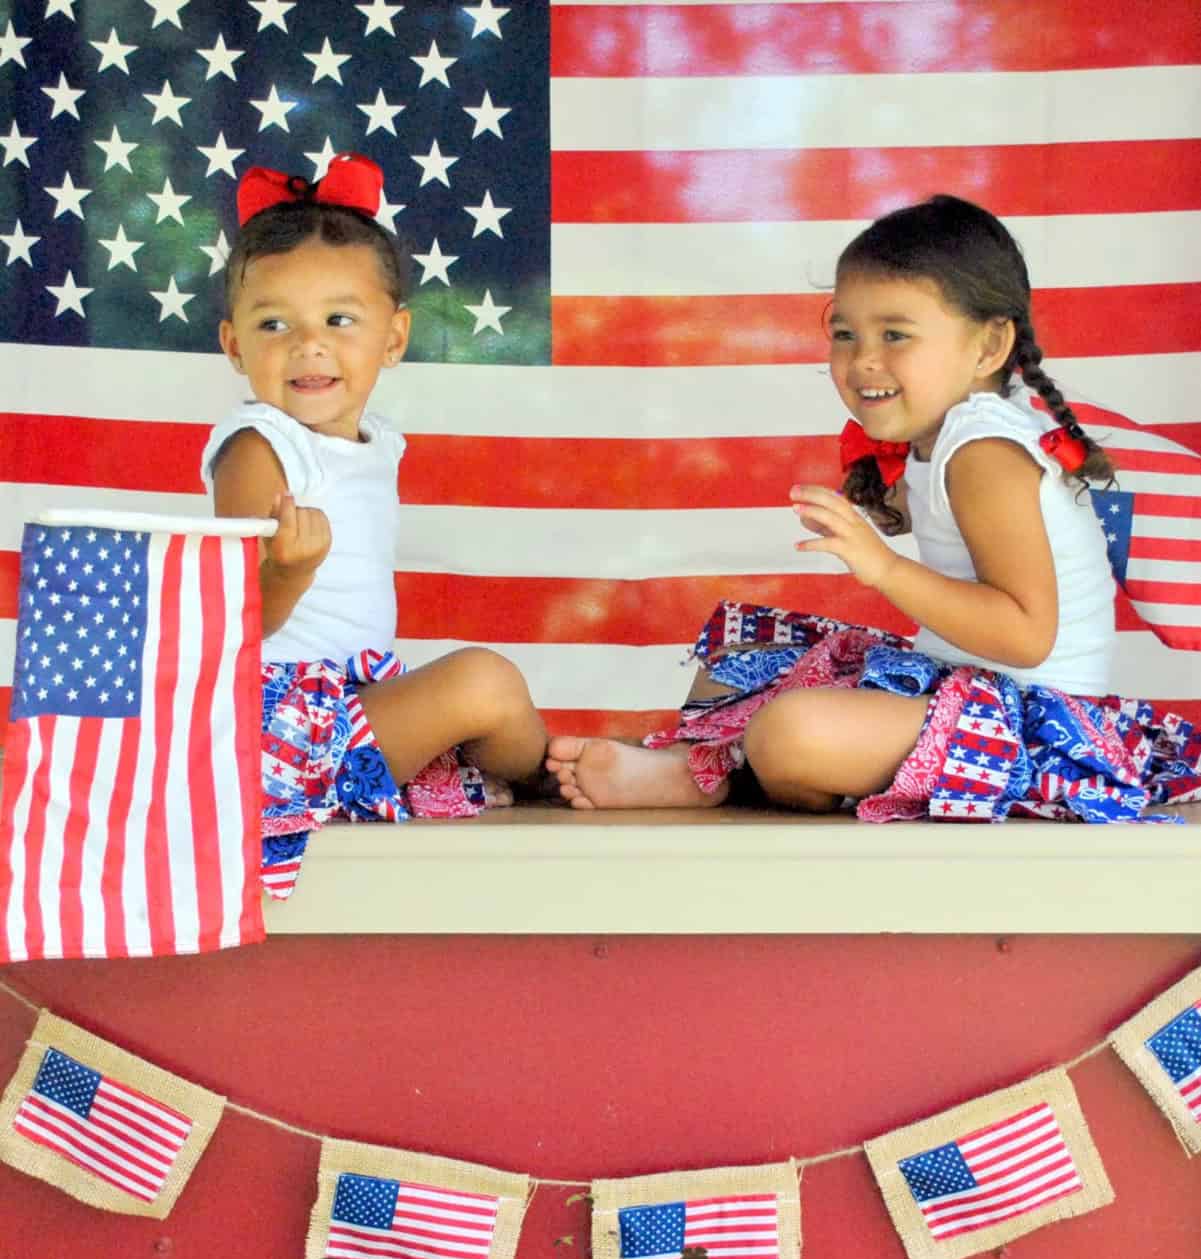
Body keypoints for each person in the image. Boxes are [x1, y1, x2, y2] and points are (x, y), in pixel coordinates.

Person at [547, 195, 1196, 822]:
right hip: (956, 688)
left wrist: (882, 568)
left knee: (794, 731)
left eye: (895, 333)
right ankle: (728, 769)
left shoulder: (984, 453)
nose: (863, 360)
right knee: (736, 661)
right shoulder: (948, 435)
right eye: (844, 333)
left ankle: (711, 774)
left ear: (987, 348)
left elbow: (1026, 637)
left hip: (1034, 724)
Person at [203, 154, 548, 892]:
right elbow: (228, 615)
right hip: (275, 728)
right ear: (235, 345)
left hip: (348, 701)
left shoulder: (373, 440)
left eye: (338, 319)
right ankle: (556, 780)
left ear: (392, 339)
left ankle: (563, 775)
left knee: (478, 692)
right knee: (481, 681)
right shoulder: (259, 448)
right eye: (274, 323)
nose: (308, 343)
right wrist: (288, 571)